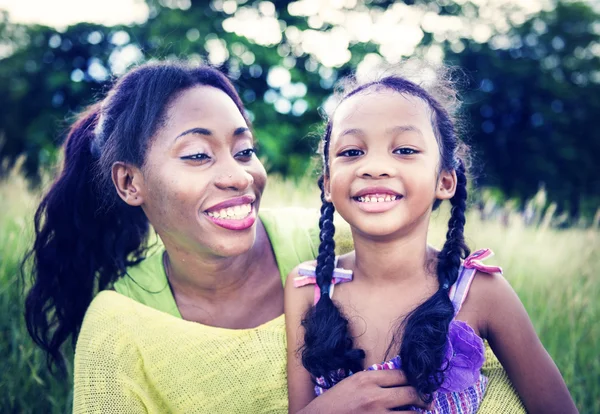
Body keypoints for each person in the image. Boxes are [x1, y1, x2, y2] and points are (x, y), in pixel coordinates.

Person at [23, 61, 432, 413]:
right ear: (130, 182)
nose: (239, 177)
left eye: (244, 150)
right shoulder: (120, 326)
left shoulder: (336, 248)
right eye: (198, 155)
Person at [285, 65, 578, 413]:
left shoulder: (481, 292)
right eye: (351, 152)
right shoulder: (308, 289)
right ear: (328, 185)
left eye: (405, 150)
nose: (374, 166)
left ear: (445, 181)